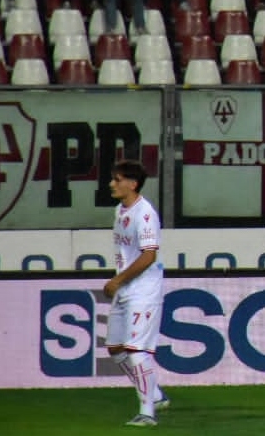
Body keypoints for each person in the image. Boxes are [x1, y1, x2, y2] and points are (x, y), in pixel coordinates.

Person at [105, 159, 169, 427]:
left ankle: (147, 413)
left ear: (132, 184)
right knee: (116, 348)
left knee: (137, 350)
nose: (112, 184)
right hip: (126, 287)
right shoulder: (120, 210)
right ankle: (154, 394)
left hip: (143, 288)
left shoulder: (145, 213)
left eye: (117, 179)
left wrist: (117, 280)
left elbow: (148, 256)